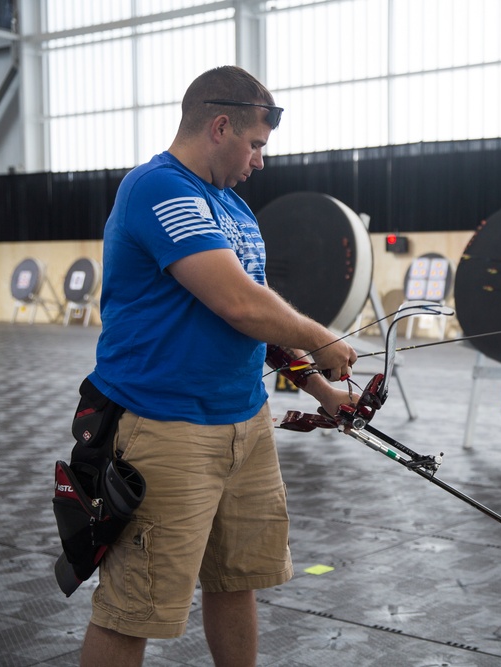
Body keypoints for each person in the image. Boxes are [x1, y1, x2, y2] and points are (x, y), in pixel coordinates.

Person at [77, 65, 357, 667]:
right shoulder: (159, 188)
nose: (259, 160)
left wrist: (319, 388)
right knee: (132, 610)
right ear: (221, 127)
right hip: (167, 430)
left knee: (235, 582)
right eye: (255, 145)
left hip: (246, 426)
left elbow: (252, 325)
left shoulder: (234, 209)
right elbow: (236, 300)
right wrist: (322, 338)